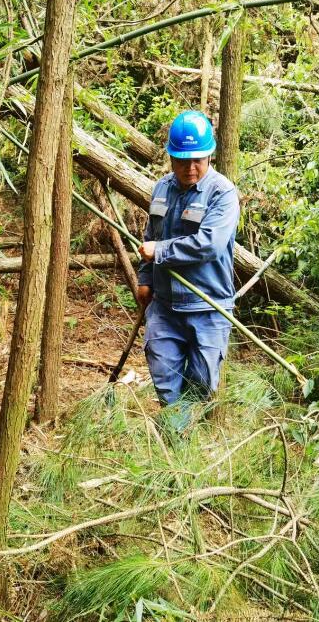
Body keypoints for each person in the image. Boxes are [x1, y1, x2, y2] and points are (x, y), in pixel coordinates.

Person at [136, 110, 240, 434]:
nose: (190, 168)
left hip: (208, 306)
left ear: (209, 154)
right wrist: (145, 278)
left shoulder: (223, 194)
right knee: (164, 376)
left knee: (202, 383)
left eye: (198, 160)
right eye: (182, 161)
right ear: (170, 157)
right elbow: (149, 237)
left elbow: (208, 244)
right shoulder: (161, 189)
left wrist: (161, 252)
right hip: (165, 307)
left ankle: (184, 438)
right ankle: (177, 444)